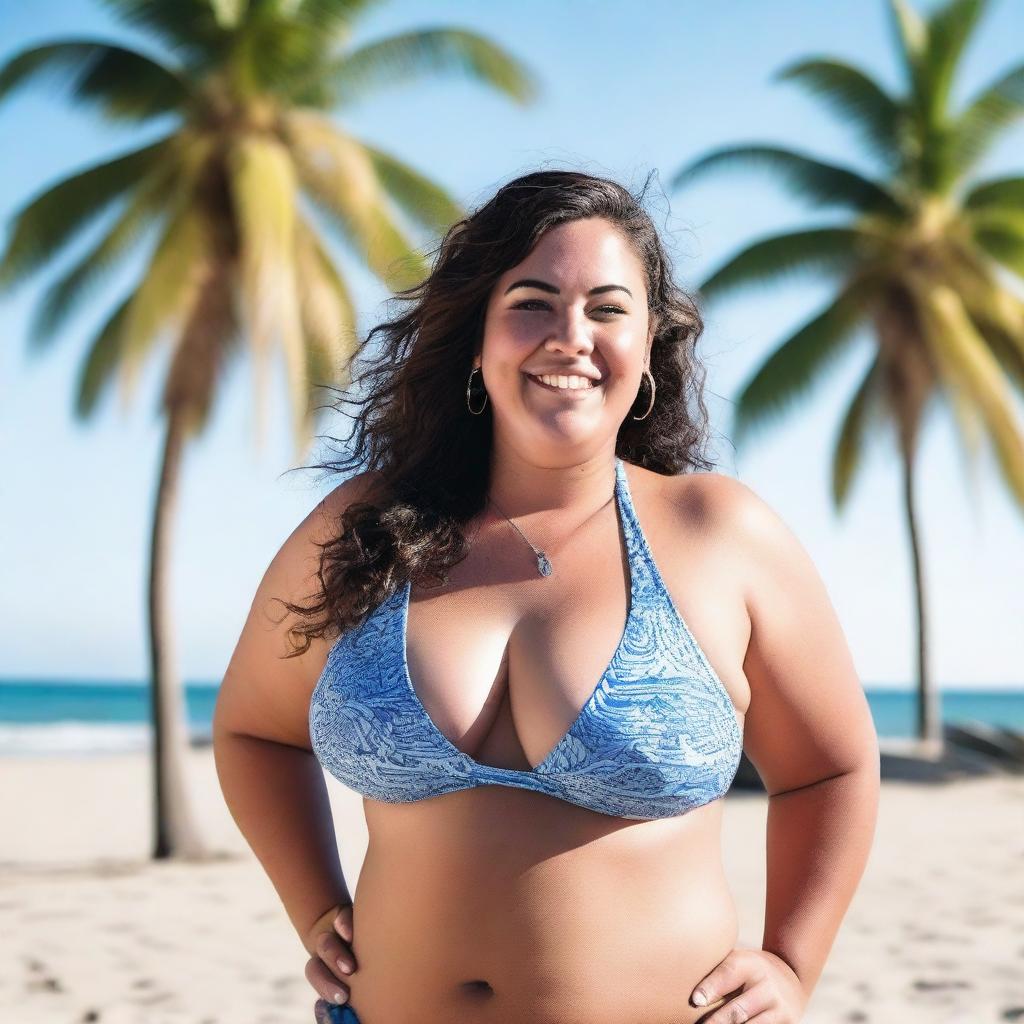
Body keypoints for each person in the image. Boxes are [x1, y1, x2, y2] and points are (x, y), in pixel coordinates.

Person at [212, 169, 880, 1024]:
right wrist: (314, 906)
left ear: (647, 350)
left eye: (607, 308)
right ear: (479, 342)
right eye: (532, 301)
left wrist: (793, 960)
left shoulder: (719, 534)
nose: (571, 335)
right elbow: (254, 732)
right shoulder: (367, 528)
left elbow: (832, 768)